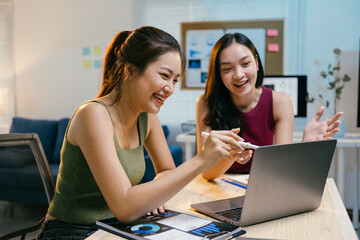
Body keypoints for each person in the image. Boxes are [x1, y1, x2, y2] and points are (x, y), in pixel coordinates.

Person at [37, 26, 245, 239]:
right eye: (164, 75)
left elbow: (166, 170)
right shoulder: (93, 114)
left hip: (115, 226)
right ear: (130, 69)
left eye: (175, 80)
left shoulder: (147, 116)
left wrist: (151, 196)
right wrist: (201, 160)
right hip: (71, 230)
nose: (170, 88)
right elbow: (125, 207)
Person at [196, 32, 343, 180]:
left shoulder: (280, 102)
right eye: (227, 69)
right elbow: (207, 173)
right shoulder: (206, 103)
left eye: (246, 64)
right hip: (219, 187)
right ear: (218, 74)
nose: (239, 75)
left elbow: (282, 167)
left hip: (264, 184)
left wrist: (304, 144)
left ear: (257, 63)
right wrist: (231, 157)